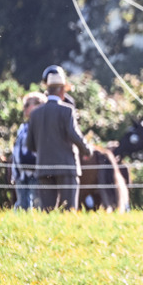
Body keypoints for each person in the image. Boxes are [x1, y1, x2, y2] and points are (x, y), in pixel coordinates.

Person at [27, 70, 93, 211]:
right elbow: (74, 135)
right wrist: (87, 150)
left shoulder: (35, 114)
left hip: (43, 168)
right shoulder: (67, 111)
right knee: (68, 210)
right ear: (62, 90)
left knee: (47, 211)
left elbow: (30, 144)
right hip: (66, 167)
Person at [11, 92, 46, 210]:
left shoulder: (43, 127)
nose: (24, 108)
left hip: (36, 173)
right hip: (21, 174)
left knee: (37, 204)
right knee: (22, 204)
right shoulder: (23, 127)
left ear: (39, 106)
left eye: (27, 105)